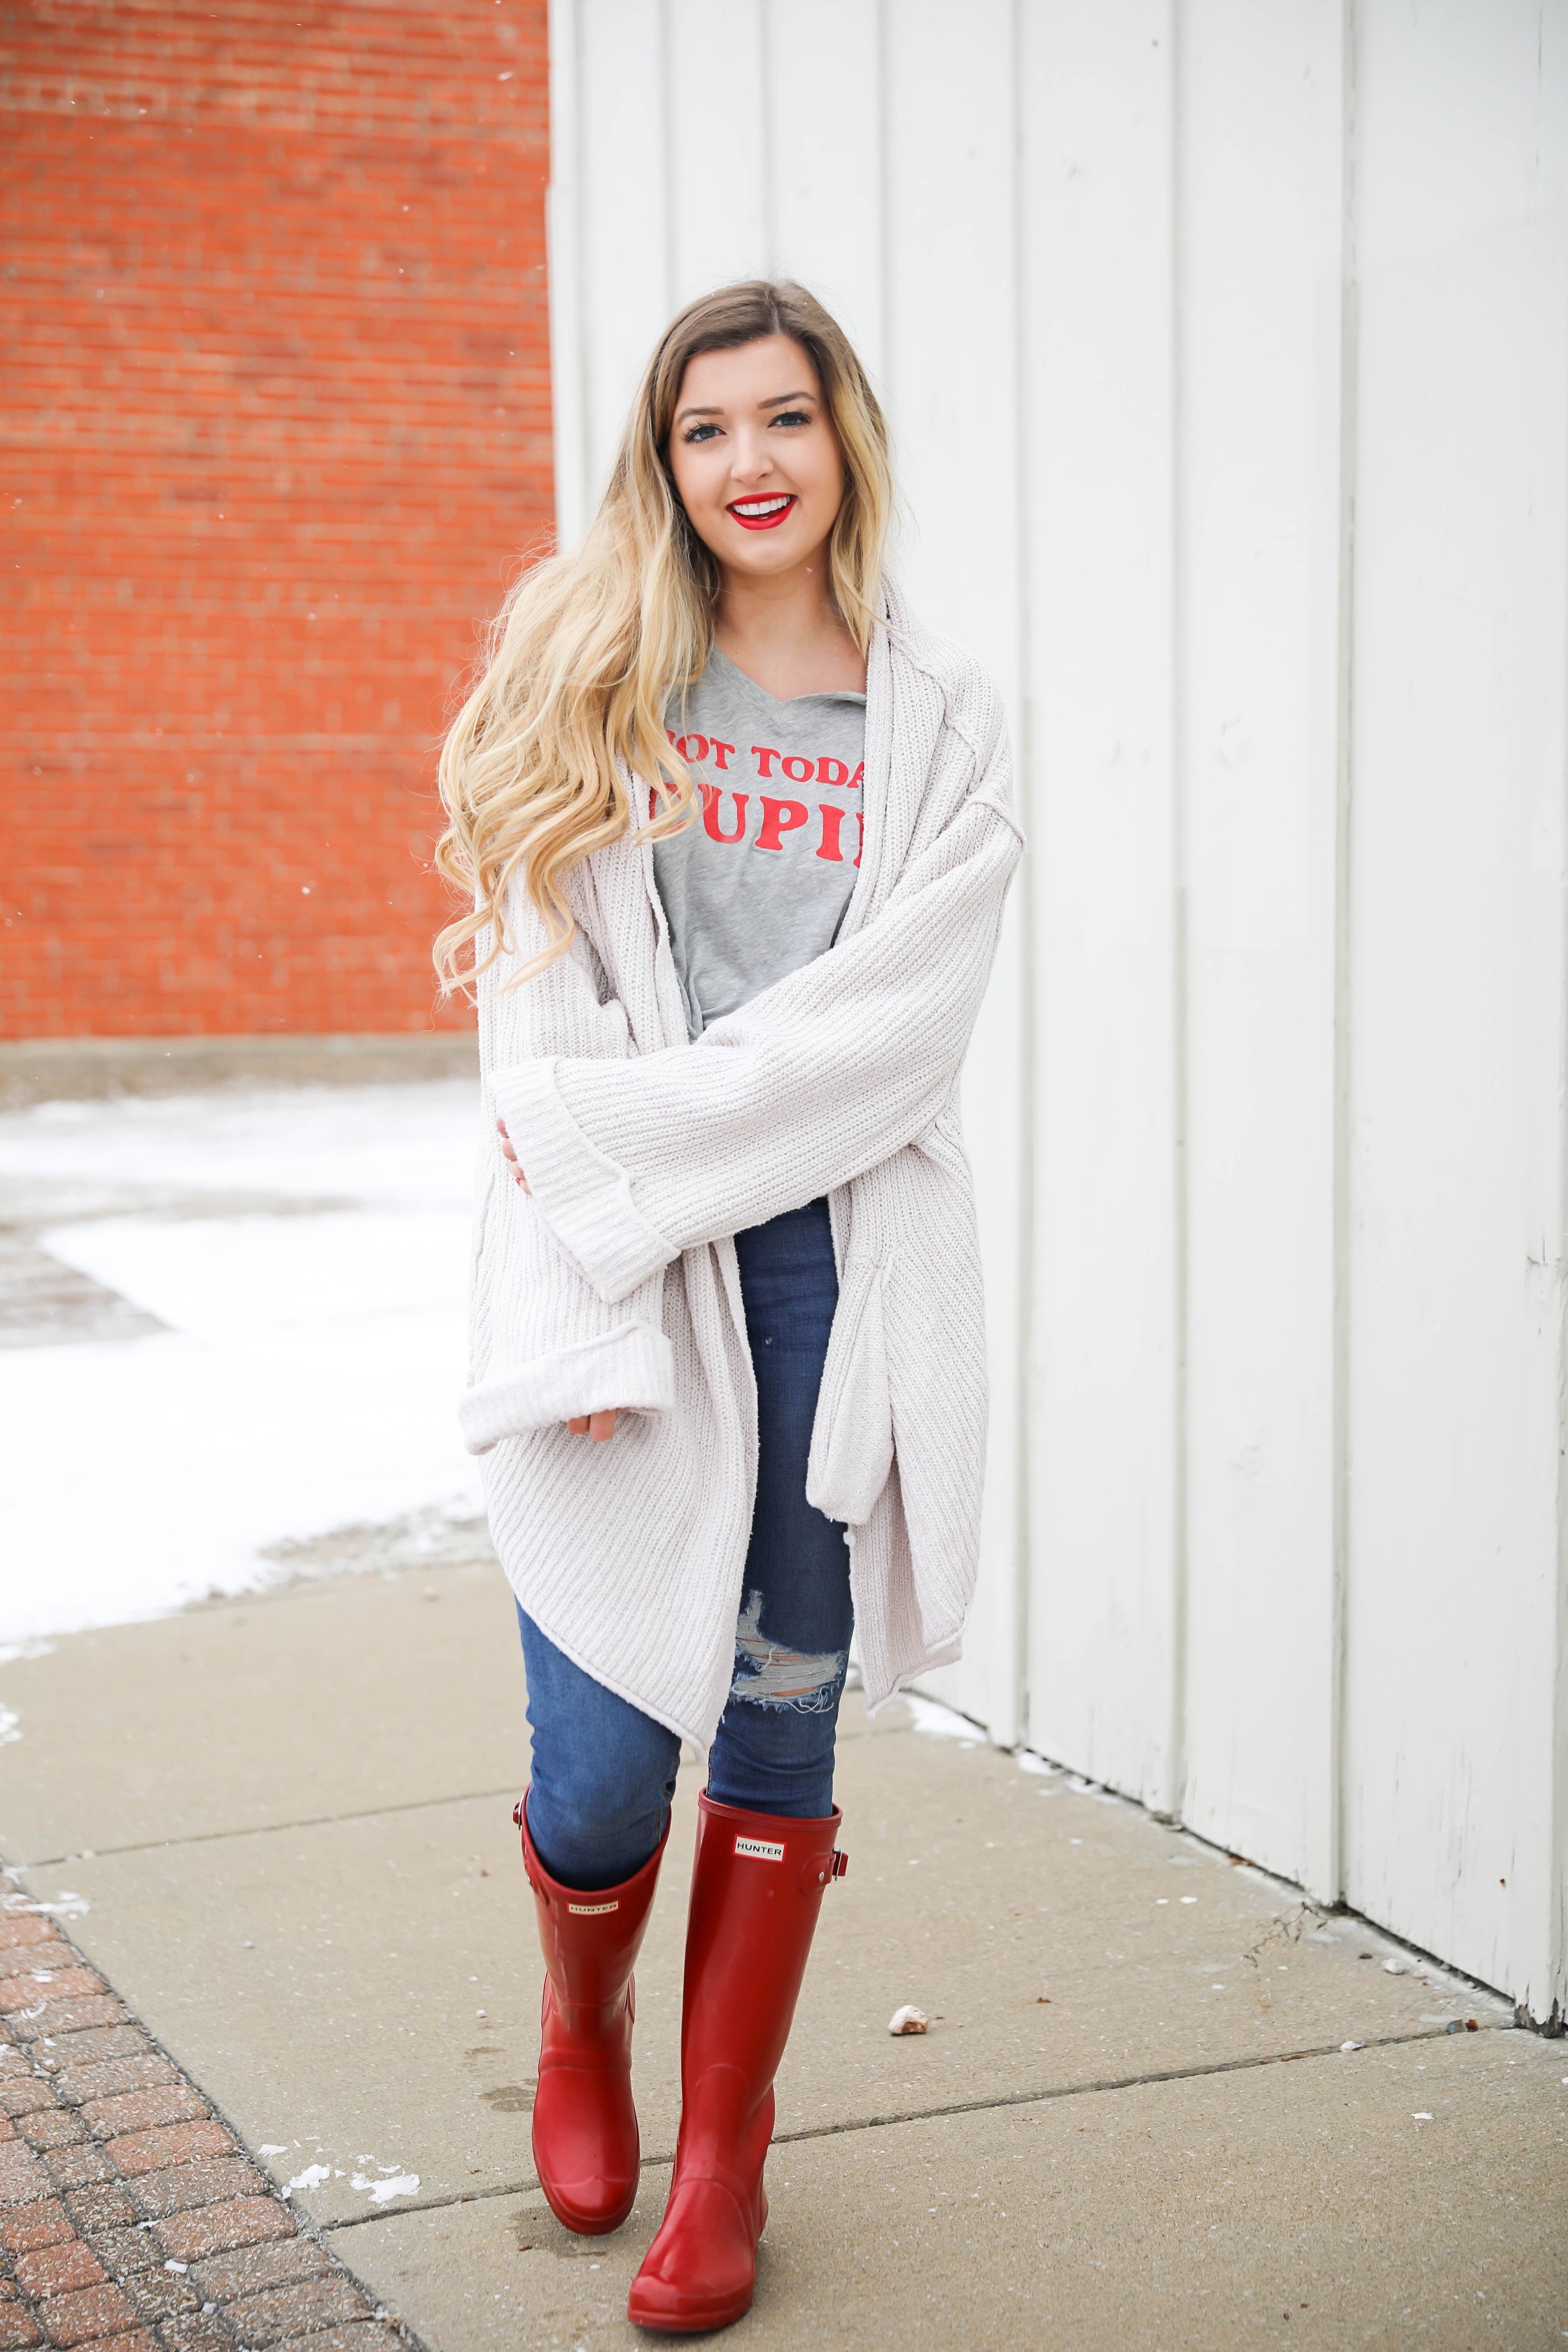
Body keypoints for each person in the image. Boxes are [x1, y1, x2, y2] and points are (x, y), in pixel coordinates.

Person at [434, 279, 1021, 2335]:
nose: (750, 462)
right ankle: (580, 2020)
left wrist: (626, 1129)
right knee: (599, 1760)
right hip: (616, 1275)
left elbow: (897, 1044)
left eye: (787, 418)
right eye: (708, 429)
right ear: (662, 460)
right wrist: (604, 1210)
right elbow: (536, 1033)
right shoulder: (589, 675)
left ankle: (723, 2158)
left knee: (777, 1722)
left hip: (837, 1282)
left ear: (844, 437)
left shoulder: (939, 723)